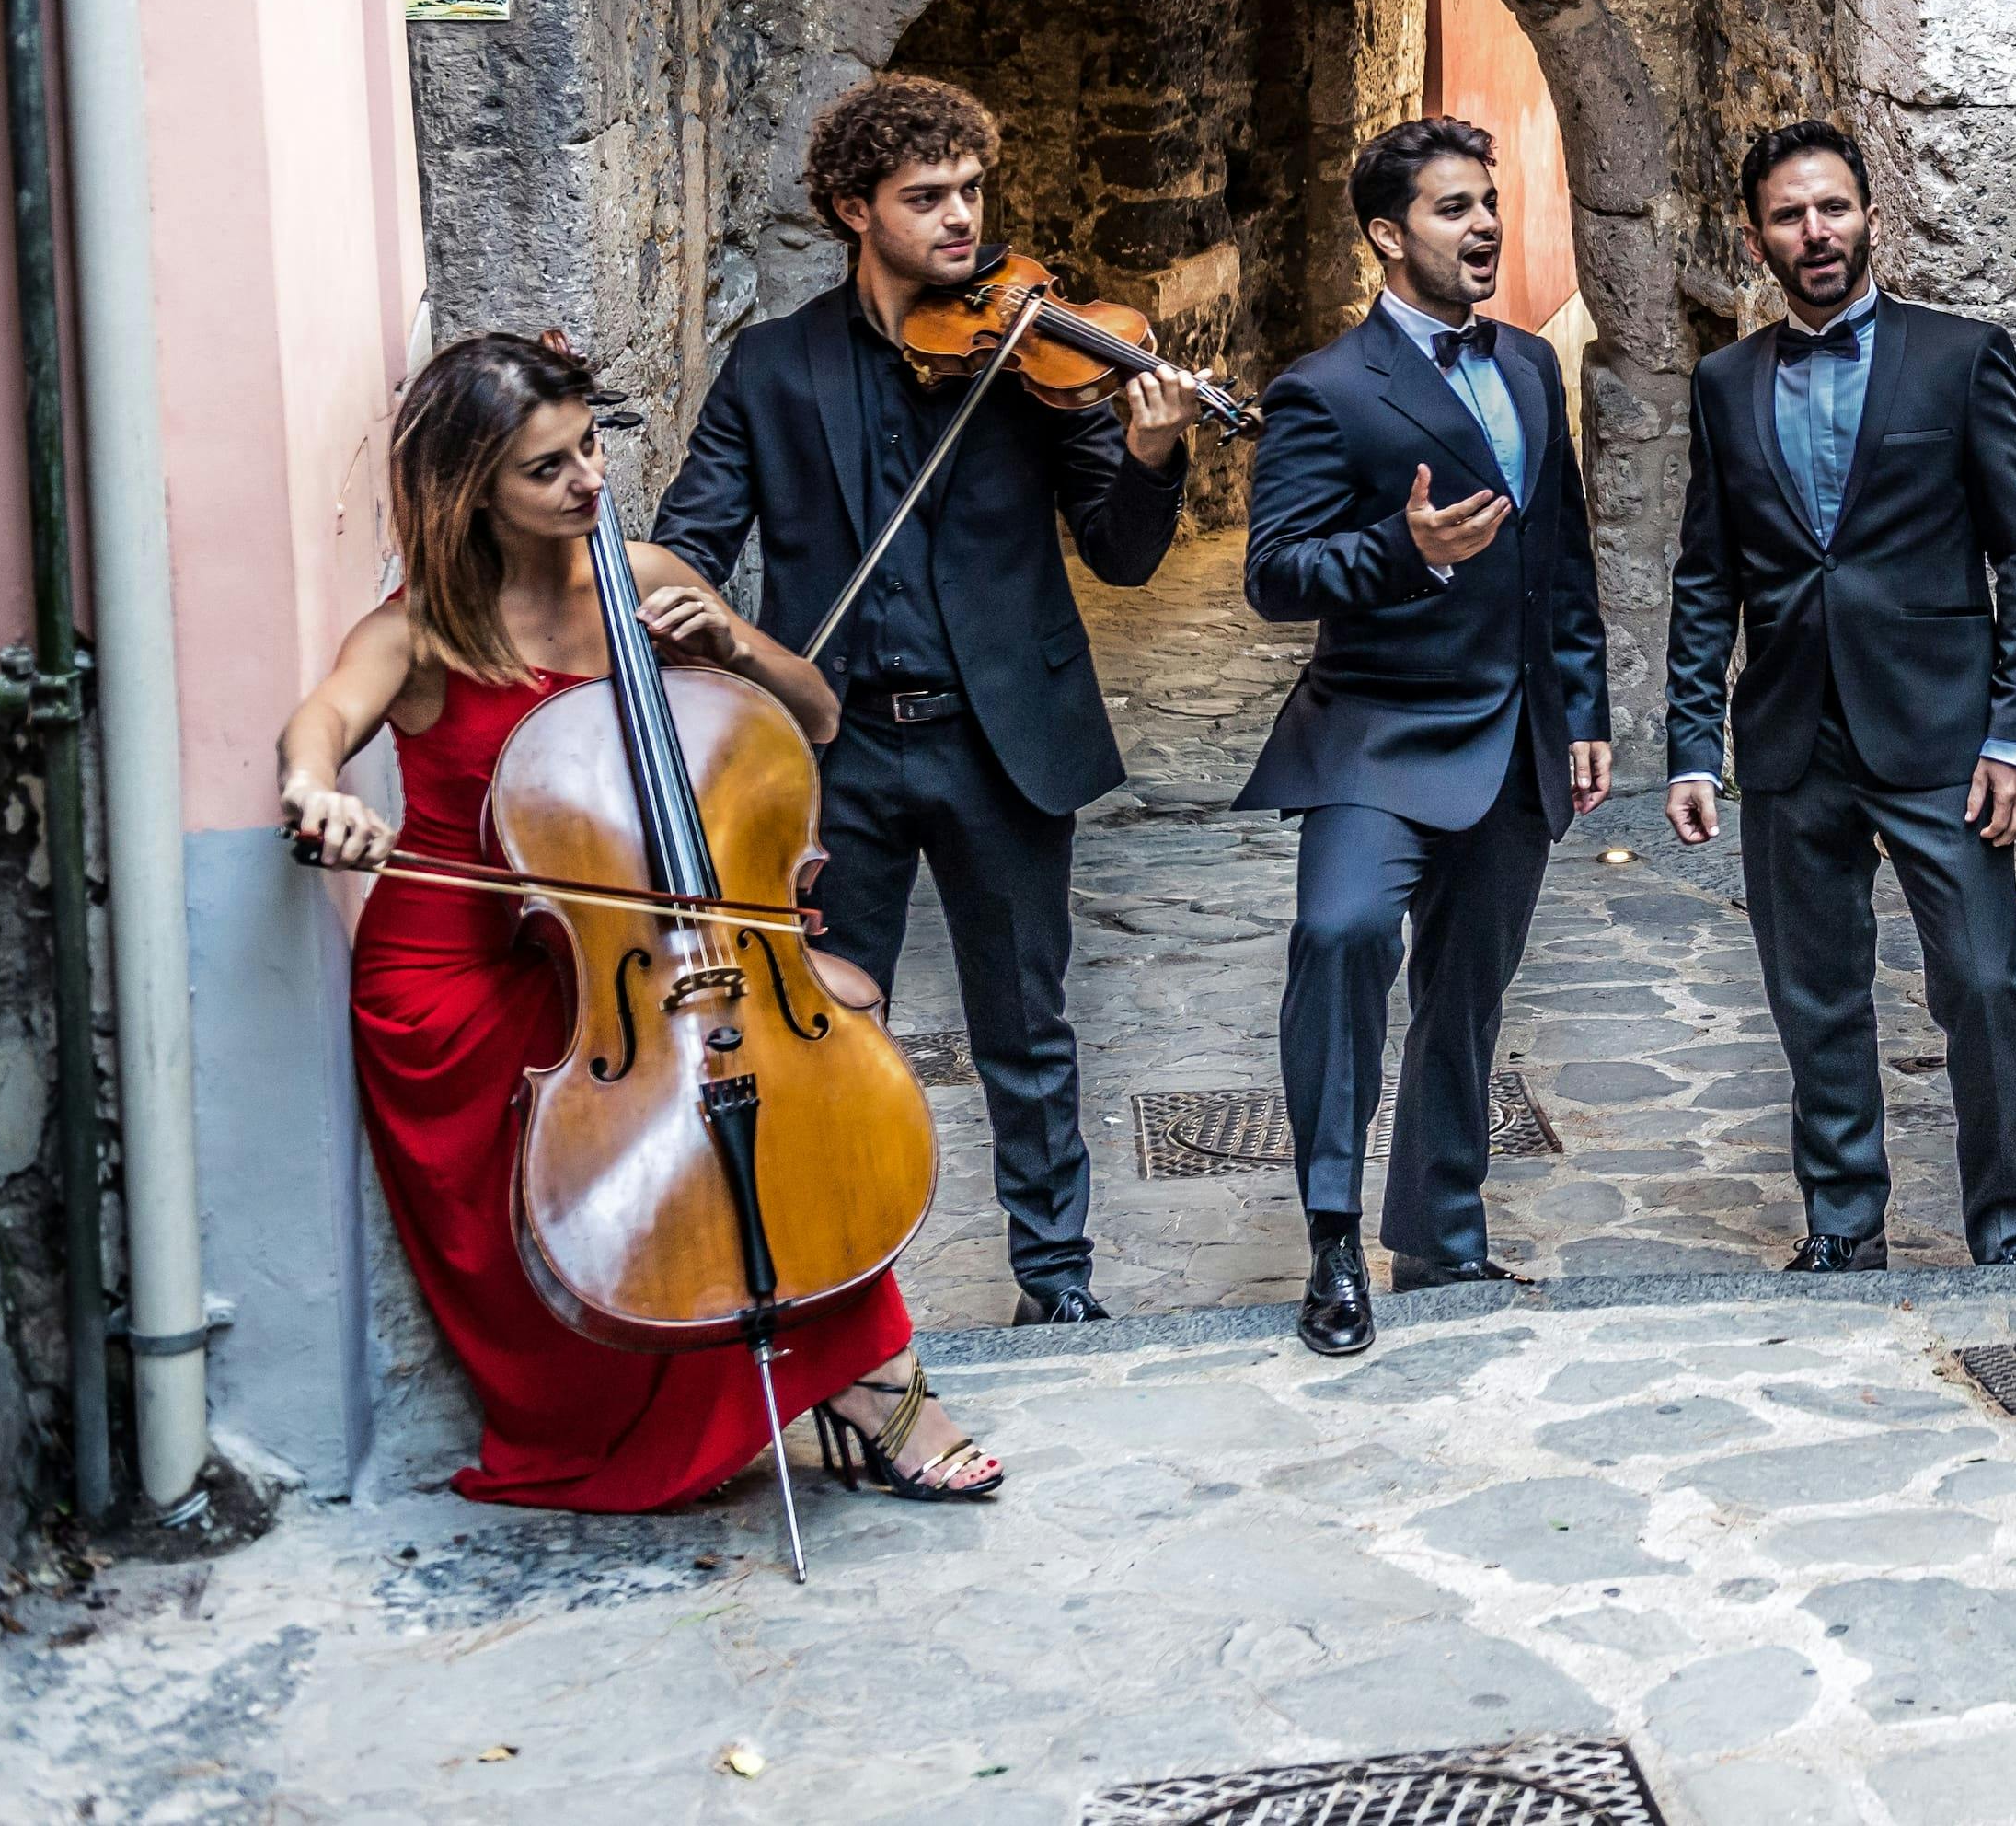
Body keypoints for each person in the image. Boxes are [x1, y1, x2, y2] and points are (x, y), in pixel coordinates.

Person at [277, 333, 1002, 1508]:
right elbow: (319, 726)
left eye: (589, 446)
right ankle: (694, 1401)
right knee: (598, 1194)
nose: (588, 481)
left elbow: (815, 717)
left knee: (774, 1113)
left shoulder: (653, 578)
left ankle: (871, 1374)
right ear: (471, 491)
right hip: (464, 975)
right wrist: (315, 794)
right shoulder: (422, 633)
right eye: (545, 469)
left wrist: (735, 649)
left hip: (637, 948)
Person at [653, 75, 1193, 1326]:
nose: (962, 220)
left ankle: (1055, 1281)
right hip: (834, 752)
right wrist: (694, 617)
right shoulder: (774, 369)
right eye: (926, 197)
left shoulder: (1035, 351)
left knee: (1028, 1024)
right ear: (853, 209)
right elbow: (692, 538)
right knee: (831, 1031)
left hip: (1003, 743)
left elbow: (1117, 552)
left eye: (971, 191)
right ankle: (846, 1290)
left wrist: (1154, 453)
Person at [1243, 113, 1612, 1355]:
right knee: (1340, 939)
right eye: (1456, 209)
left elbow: (1559, 556)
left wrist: (1585, 711)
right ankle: (1334, 1237)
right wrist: (1399, 551)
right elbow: (1277, 574)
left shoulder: (1525, 368)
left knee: (1466, 997)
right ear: (1388, 237)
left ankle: (1442, 1240)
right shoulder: (1326, 390)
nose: (1487, 226)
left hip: (1514, 738)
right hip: (1377, 736)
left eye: (1490, 203)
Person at [1664, 120, 2016, 1273]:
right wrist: (1693, 741)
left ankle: (2008, 1233)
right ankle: (1843, 1228)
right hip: (1791, 737)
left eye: (1833, 208)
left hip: (1941, 729)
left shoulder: (1960, 357)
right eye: (1789, 216)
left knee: (1985, 984)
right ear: (1757, 240)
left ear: (1871, 218)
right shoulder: (1723, 383)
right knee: (1816, 997)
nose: (1815, 232)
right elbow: (1707, 574)